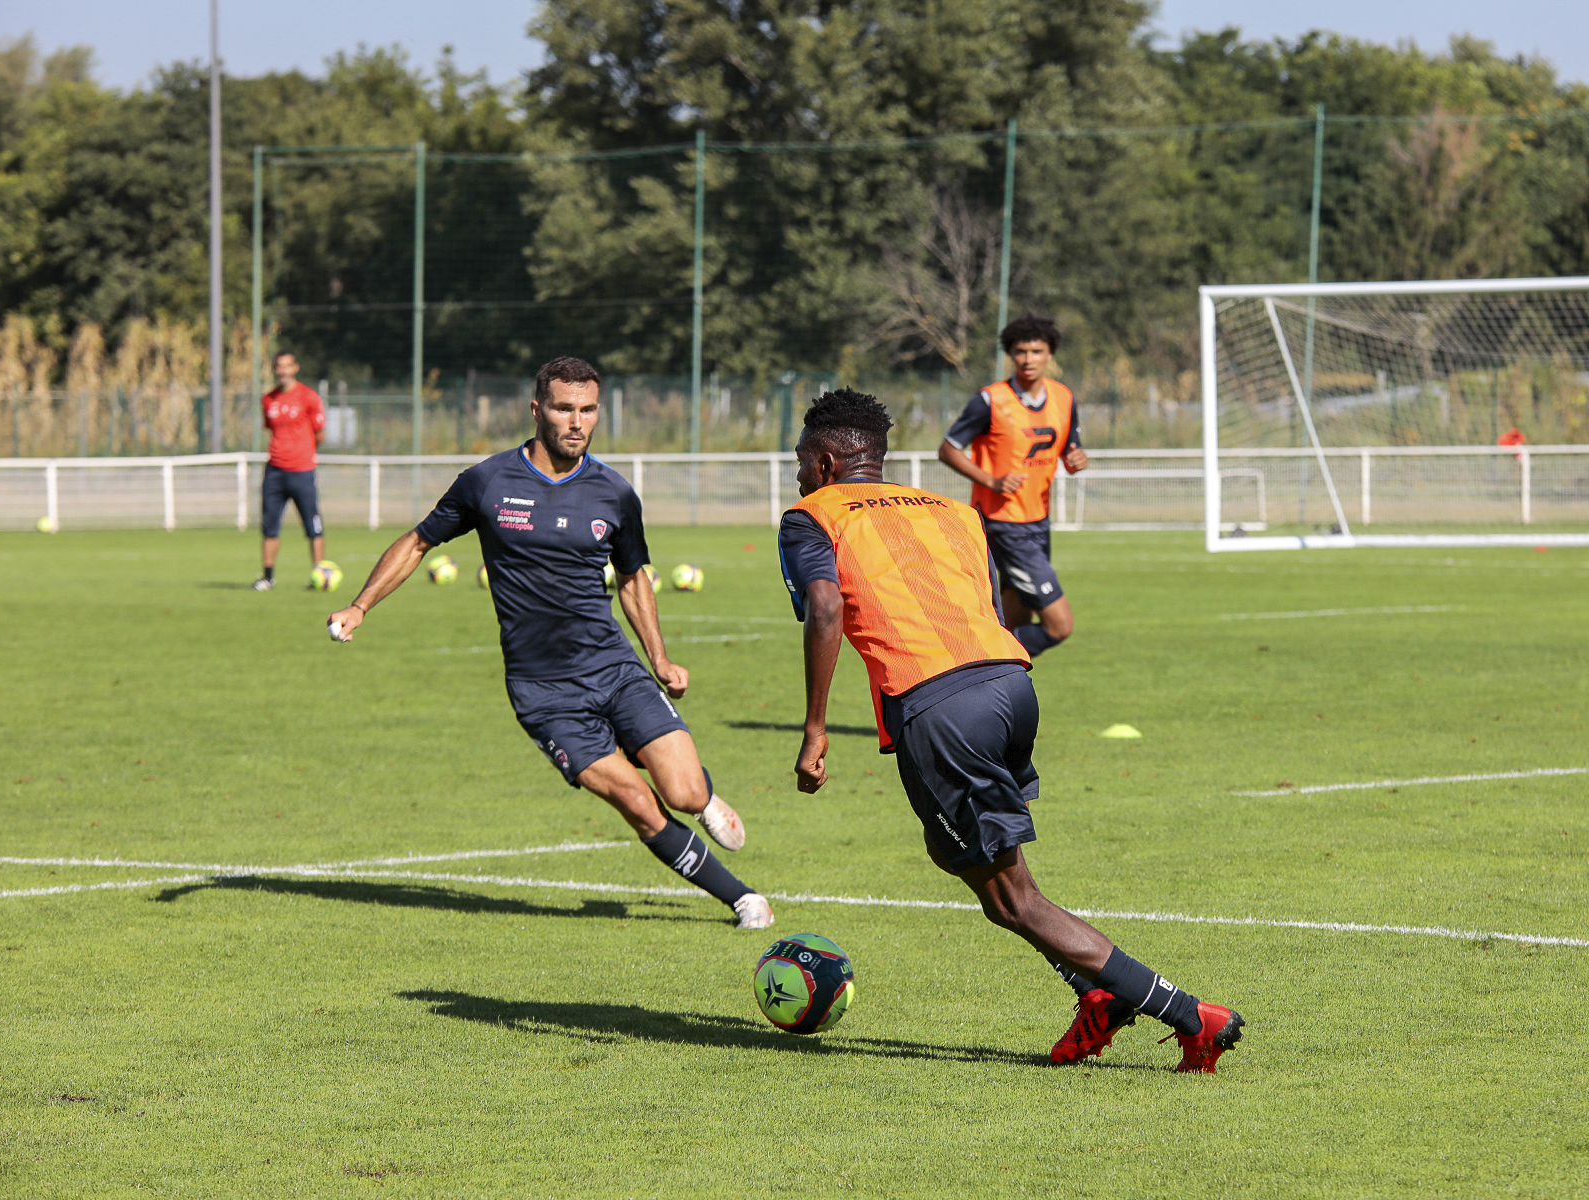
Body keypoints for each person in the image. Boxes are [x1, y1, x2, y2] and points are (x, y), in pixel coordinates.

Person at [781, 388, 1244, 1070]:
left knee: (1013, 897)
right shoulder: (949, 509)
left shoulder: (810, 515)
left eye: (798, 463)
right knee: (963, 860)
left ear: (825, 461)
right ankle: (1095, 991)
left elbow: (825, 606)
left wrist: (815, 729)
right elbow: (989, 599)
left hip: (939, 705)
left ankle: (1188, 1015)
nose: (796, 476)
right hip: (1009, 683)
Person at [326, 356, 773, 930]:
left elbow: (634, 576)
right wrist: (360, 605)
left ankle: (703, 799)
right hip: (544, 694)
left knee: (684, 793)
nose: (577, 422)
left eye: (588, 410)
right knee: (638, 803)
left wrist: (659, 656)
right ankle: (741, 899)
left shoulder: (614, 493)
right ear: (538, 409)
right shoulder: (487, 482)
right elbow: (417, 543)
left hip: (614, 668)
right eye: (564, 408)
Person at [938, 314, 1087, 658]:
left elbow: (1068, 450)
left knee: (1013, 617)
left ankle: (986, 670)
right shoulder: (991, 401)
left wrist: (1077, 459)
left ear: (1050, 354)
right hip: (1003, 522)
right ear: (1010, 354)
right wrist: (992, 480)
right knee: (1059, 625)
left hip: (1038, 521)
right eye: (1020, 351)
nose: (1028, 359)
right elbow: (947, 449)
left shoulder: (1064, 398)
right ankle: (983, 666)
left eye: (1036, 351)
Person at [251, 350, 327, 591]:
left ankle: (319, 575)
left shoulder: (309, 397)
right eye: (278, 367)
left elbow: (320, 434)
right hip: (274, 471)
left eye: (287, 366)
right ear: (275, 370)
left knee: (313, 525)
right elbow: (270, 429)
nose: (282, 371)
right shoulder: (268, 399)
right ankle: (268, 577)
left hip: (302, 471)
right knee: (270, 526)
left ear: (295, 368)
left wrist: (302, 453)